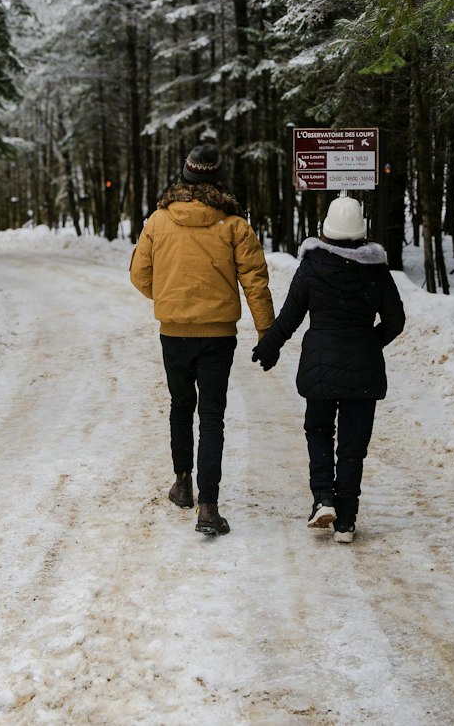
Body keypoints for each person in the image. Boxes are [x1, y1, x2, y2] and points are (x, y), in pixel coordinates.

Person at [130, 142, 275, 536]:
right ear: (216, 179)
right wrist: (267, 332)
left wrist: (170, 296)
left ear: (185, 176)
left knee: (180, 406)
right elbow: (255, 283)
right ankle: (208, 507)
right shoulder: (234, 226)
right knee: (211, 416)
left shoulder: (158, 221)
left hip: (173, 332)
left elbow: (140, 275)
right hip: (218, 335)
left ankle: (182, 482)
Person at [251, 194, 404, 542]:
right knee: (353, 445)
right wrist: (368, 343)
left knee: (319, 431)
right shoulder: (376, 271)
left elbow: (290, 316)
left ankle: (322, 498)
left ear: (326, 230)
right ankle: (346, 520)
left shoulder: (312, 266)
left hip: (320, 364)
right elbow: (396, 320)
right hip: (363, 369)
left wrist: (268, 347)